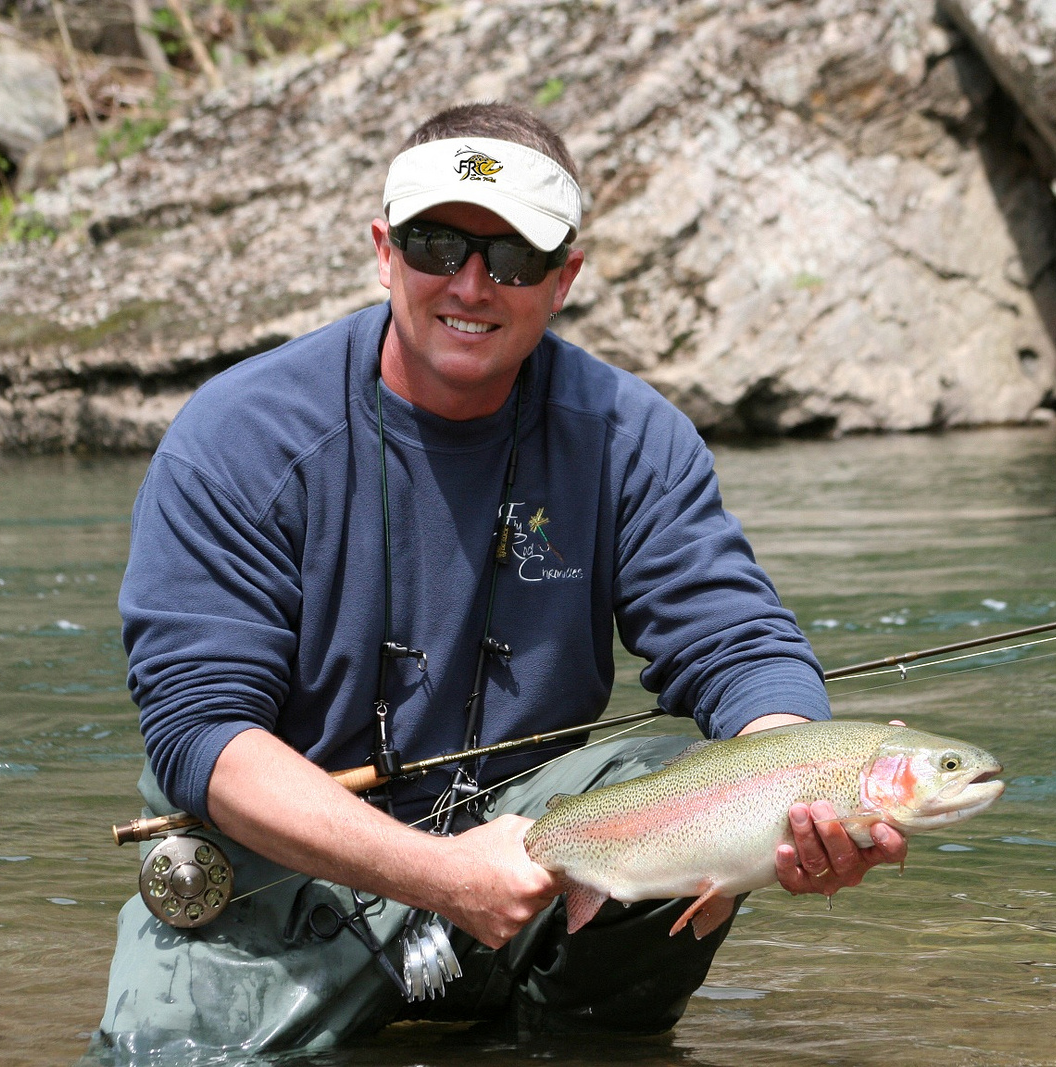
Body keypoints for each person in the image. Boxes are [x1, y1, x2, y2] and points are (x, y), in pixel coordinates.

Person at [93, 102, 907, 1061]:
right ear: (383, 250)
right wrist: (439, 873)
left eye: (513, 258)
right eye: (439, 244)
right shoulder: (237, 438)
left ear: (564, 280)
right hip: (283, 882)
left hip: (536, 864)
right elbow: (202, 735)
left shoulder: (631, 441)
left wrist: (798, 792)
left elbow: (734, 643)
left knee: (664, 781)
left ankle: (574, 1040)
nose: (471, 284)